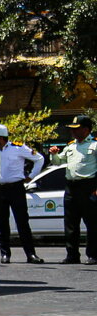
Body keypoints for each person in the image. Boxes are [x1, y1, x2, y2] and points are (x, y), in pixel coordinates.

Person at [0, 123, 45, 264]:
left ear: (1, 138)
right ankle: (5, 254)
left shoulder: (18, 148)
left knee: (22, 222)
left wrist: (32, 176)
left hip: (16, 188)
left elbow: (39, 159)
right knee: (1, 223)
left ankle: (30, 254)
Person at [49, 114, 97, 265]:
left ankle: (93, 255)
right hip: (71, 187)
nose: (73, 132)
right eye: (72, 129)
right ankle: (72, 255)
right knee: (70, 223)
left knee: (92, 223)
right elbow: (59, 162)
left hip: (88, 186)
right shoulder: (70, 146)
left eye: (76, 129)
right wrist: (54, 154)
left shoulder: (95, 145)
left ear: (86, 130)